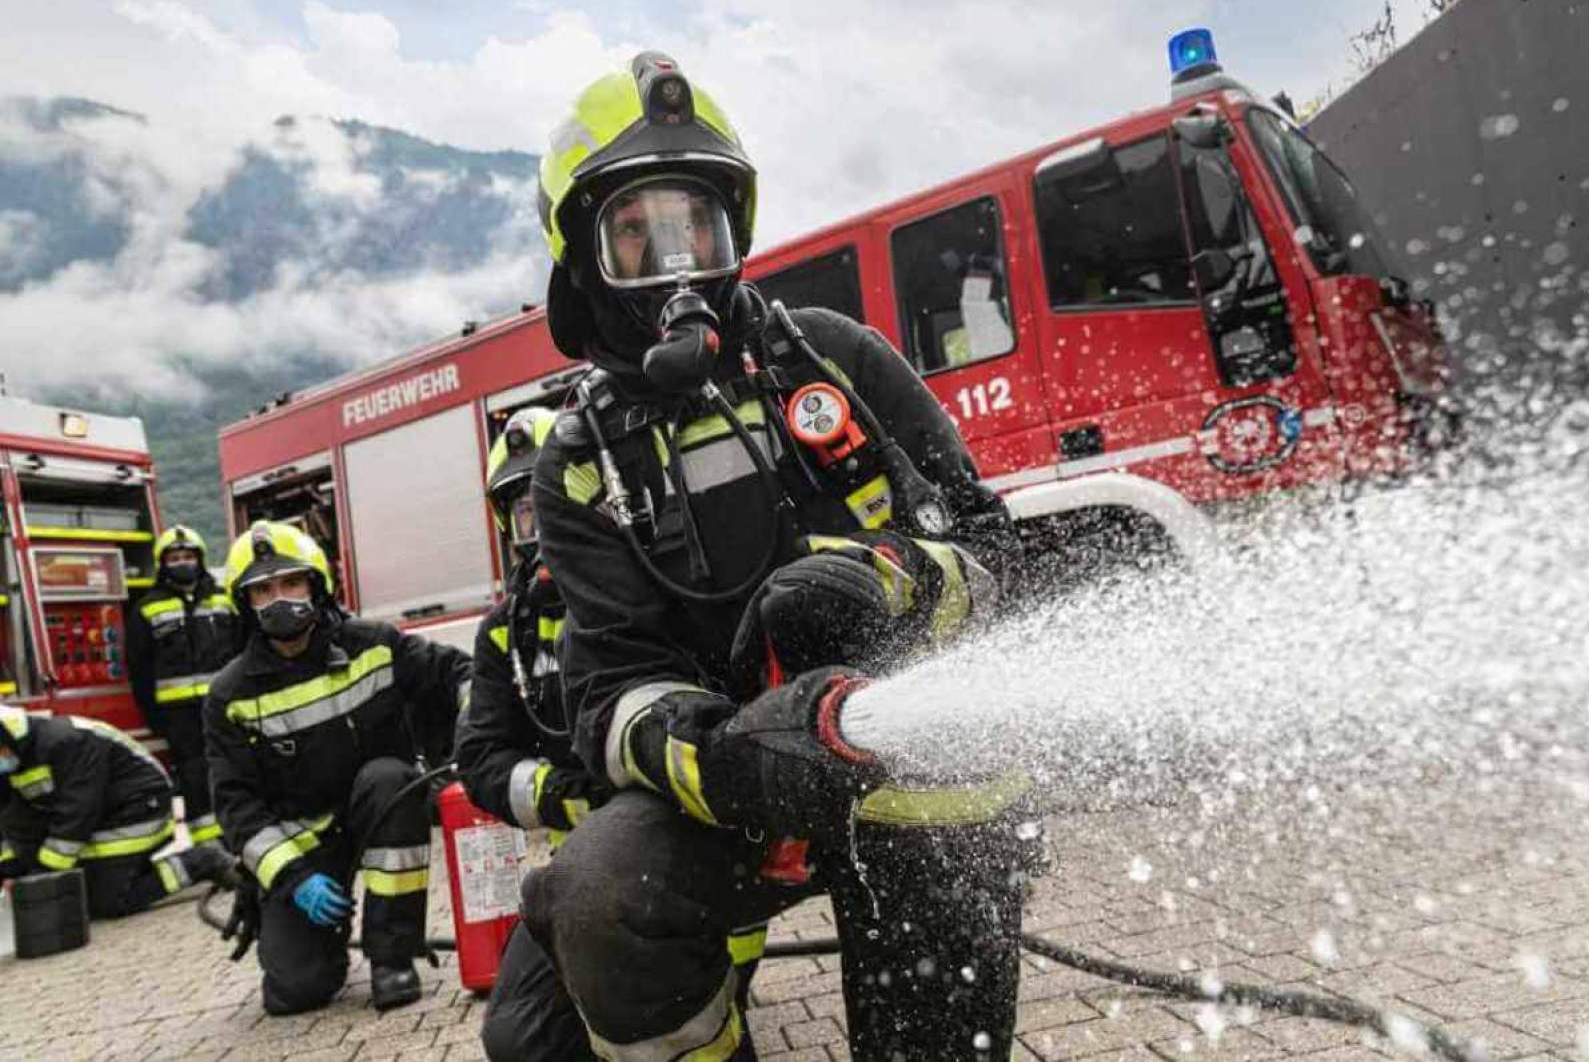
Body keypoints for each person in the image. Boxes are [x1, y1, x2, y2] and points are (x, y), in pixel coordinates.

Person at [522, 52, 1031, 1059]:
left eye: (695, 224)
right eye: (636, 235)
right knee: (599, 887)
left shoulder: (837, 357)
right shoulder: (578, 465)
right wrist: (725, 756)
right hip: (729, 792)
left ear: (734, 233)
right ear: (583, 260)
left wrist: (897, 580)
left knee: (963, 788)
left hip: (897, 754)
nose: (676, 262)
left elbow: (995, 545)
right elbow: (610, 691)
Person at [204, 520, 470, 1015]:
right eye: (262, 590)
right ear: (244, 603)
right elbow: (236, 806)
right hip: (303, 853)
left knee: (393, 777)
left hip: (377, 815)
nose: (279, 599)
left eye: (291, 583)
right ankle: (308, 931)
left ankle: (393, 954)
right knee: (295, 992)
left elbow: (457, 672)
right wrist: (291, 878)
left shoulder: (373, 644)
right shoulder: (231, 695)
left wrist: (475, 707)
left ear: (317, 584)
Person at [455, 405, 612, 1060]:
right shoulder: (504, 632)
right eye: (522, 506)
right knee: (519, 1040)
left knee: (663, 1008)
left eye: (549, 494)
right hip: (582, 859)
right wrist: (558, 794)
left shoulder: (648, 590)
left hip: (682, 844)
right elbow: (481, 756)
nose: (537, 518)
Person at [0, 704, 234, 917]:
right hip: (100, 817)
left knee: (107, 903)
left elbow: (78, 811)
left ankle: (200, 861)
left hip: (138, 806)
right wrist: (12, 871)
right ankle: (125, 870)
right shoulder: (14, 757)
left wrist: (45, 873)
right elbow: (9, 818)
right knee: (81, 895)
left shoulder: (67, 741)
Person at [126, 524, 238, 847]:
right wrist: (154, 718)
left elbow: (244, 649)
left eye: (188, 555)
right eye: (174, 557)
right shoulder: (146, 608)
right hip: (178, 714)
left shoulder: (224, 600)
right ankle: (209, 846)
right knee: (194, 775)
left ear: (200, 559)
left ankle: (240, 833)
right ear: (163, 563)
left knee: (234, 767)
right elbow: (140, 670)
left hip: (223, 705)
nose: (182, 562)